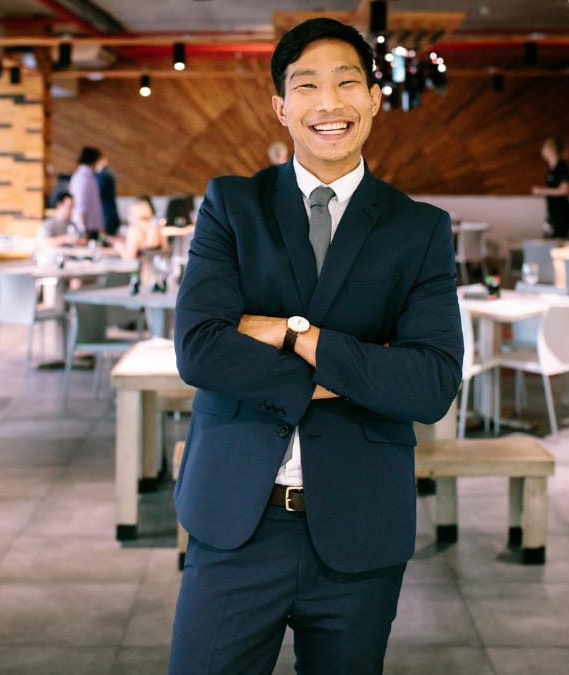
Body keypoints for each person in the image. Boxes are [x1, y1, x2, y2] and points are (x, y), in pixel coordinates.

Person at [171, 18, 463, 673]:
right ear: (281, 106)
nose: (329, 103)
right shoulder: (231, 204)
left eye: (347, 83)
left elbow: (431, 384)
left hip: (360, 528)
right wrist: (358, 365)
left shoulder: (419, 230)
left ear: (374, 98)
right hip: (235, 522)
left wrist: (287, 332)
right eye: (307, 86)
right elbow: (198, 348)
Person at [532, 137, 569, 238]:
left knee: (560, 238)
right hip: (553, 209)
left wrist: (543, 191)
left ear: (552, 149)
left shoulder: (561, 166)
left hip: (562, 211)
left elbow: (565, 189)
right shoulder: (551, 168)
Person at [68, 146, 105, 239]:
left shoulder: (90, 177)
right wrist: (84, 229)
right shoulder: (83, 178)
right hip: (85, 227)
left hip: (91, 226)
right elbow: (81, 205)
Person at [118, 195, 166, 260]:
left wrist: (119, 247)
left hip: (143, 268)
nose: (128, 217)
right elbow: (165, 250)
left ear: (136, 214)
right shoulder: (157, 228)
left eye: (130, 213)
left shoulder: (134, 230)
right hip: (159, 267)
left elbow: (129, 257)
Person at [96, 152, 121, 236]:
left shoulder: (103, 175)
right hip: (112, 214)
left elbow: (97, 193)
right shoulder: (108, 174)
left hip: (106, 216)